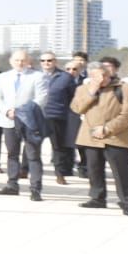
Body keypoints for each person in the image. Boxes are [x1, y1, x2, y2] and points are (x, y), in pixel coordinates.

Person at [71, 59, 128, 215]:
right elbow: (77, 108)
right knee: (94, 169)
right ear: (90, 76)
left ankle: (127, 201)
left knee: (121, 171)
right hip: (90, 137)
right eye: (97, 77)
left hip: (115, 136)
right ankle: (97, 198)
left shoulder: (126, 89)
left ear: (109, 73)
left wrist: (107, 128)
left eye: (104, 75)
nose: (102, 79)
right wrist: (91, 92)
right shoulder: (83, 89)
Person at [0, 49, 48, 201]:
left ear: (28, 61)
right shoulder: (3, 77)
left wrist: (22, 112)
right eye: (17, 60)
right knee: (12, 154)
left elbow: (42, 98)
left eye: (23, 60)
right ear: (11, 61)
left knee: (33, 155)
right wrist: (7, 111)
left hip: (30, 122)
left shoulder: (38, 76)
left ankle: (35, 189)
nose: (20, 63)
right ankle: (12, 185)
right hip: (8, 120)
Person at [38, 52, 77, 185]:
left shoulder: (65, 77)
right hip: (37, 116)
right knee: (32, 145)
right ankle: (25, 170)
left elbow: (73, 97)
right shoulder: (34, 76)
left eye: (49, 60)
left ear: (55, 62)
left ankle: (60, 174)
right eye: (43, 61)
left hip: (57, 116)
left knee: (58, 147)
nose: (46, 63)